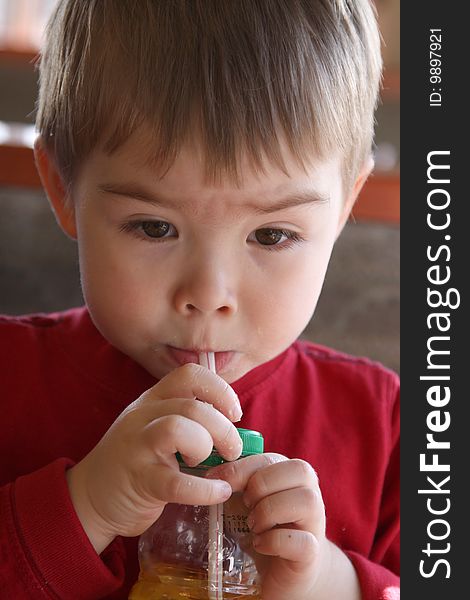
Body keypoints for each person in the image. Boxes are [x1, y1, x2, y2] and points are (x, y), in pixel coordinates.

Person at [0, 1, 399, 598]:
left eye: (271, 235)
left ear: (342, 209)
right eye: (154, 227)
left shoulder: (387, 425)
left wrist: (324, 581)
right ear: (64, 189)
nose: (209, 296)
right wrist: (85, 506)